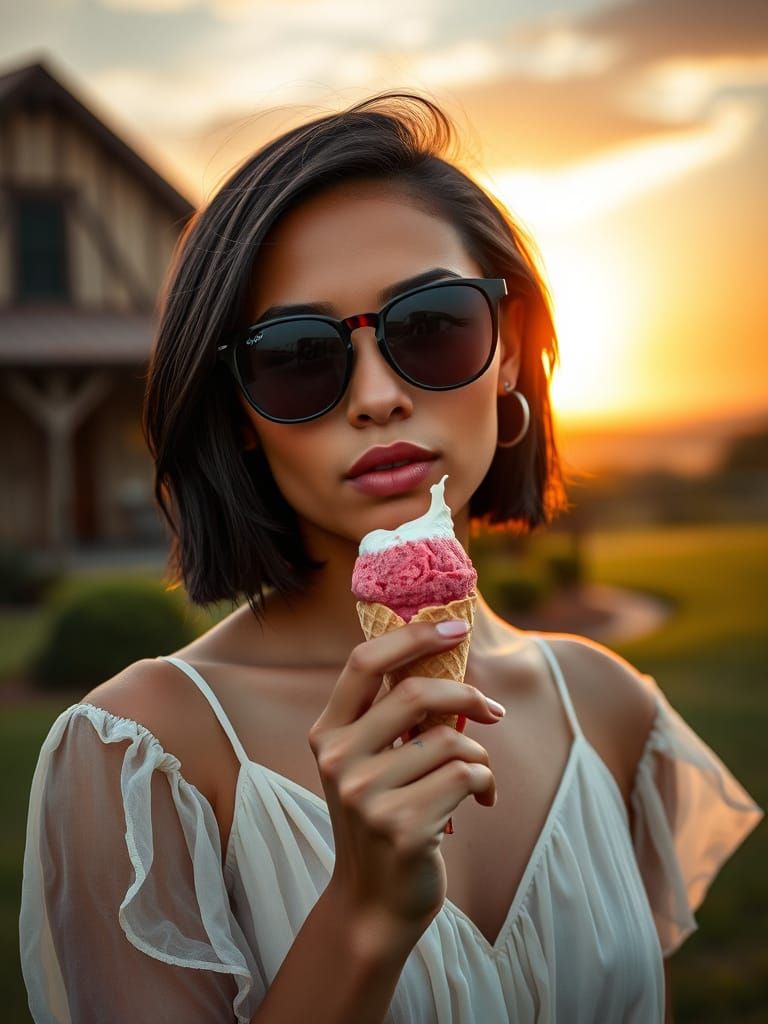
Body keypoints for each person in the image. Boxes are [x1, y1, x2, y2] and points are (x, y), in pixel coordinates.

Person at [20, 92, 762, 1024]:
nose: (377, 397)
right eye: (297, 355)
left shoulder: (611, 710)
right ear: (240, 418)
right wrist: (362, 919)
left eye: (432, 324)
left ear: (507, 352)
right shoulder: (142, 754)